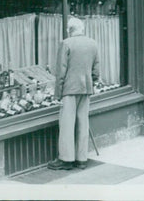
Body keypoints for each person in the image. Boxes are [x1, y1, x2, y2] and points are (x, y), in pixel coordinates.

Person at [48, 16, 100, 170]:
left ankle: (66, 159)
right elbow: (96, 70)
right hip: (86, 88)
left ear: (70, 30)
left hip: (70, 89)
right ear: (82, 29)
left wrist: (58, 94)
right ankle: (81, 159)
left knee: (67, 124)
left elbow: (61, 72)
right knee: (83, 122)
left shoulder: (66, 44)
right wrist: (92, 82)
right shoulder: (93, 43)